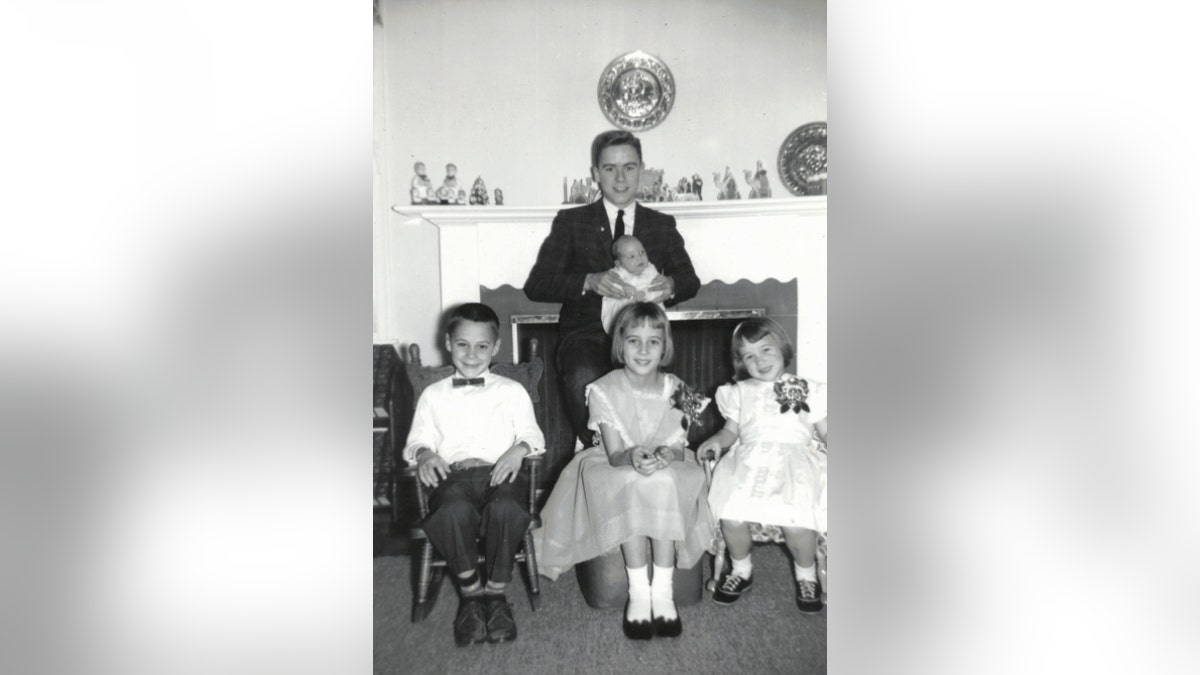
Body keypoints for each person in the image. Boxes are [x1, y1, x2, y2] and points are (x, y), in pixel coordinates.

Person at [537, 303, 714, 640]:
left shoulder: (679, 388)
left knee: (661, 481)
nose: (644, 350)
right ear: (620, 345)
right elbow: (615, 452)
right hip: (612, 465)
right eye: (634, 341)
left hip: (667, 467)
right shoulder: (602, 389)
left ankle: (662, 591)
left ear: (665, 346)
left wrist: (665, 453)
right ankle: (638, 591)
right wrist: (634, 456)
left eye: (653, 342)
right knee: (634, 482)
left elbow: (678, 446)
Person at [525, 130, 700, 450]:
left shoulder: (661, 223)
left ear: (642, 169)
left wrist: (671, 285)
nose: (620, 178)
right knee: (583, 375)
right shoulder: (571, 222)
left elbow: (690, 280)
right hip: (587, 333)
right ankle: (597, 452)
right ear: (595, 173)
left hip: (645, 335)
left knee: (666, 391)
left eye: (629, 167)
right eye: (609, 168)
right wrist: (587, 281)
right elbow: (536, 284)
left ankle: (652, 455)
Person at [402, 303, 546, 646]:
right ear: (448, 343)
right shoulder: (432, 395)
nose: (471, 354)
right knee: (450, 510)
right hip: (453, 476)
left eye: (482, 346)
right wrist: (424, 454)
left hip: (502, 473)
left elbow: (534, 435)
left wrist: (518, 450)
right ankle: (470, 594)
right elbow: (417, 440)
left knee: (508, 509)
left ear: (495, 348)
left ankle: (495, 595)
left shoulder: (512, 391)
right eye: (462, 344)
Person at [696, 317, 828, 613]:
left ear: (783, 347)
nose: (760, 360)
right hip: (749, 462)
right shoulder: (739, 391)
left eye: (766, 350)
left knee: (799, 518)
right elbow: (731, 431)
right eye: (749, 356)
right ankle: (741, 570)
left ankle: (806, 575)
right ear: (742, 363)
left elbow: (825, 431)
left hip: (794, 462)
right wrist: (717, 441)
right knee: (731, 513)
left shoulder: (808, 388)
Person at [599, 235, 667, 334]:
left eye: (641, 252)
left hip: (650, 319)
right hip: (624, 318)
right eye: (632, 256)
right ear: (618, 263)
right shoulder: (616, 274)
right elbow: (611, 292)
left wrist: (645, 294)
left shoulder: (650, 270)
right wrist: (624, 287)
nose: (639, 257)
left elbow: (658, 289)